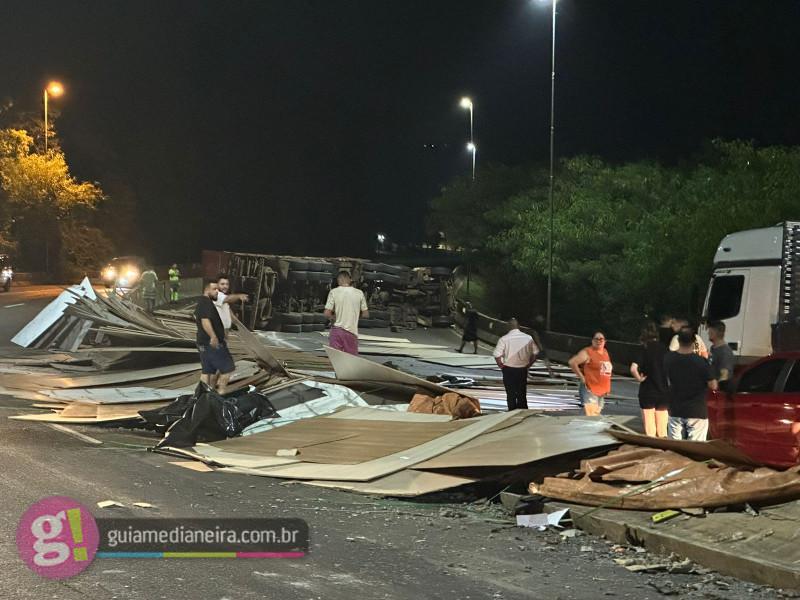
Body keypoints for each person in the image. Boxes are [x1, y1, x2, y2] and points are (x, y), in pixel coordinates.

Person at [664, 327, 718, 441]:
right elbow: (713, 385)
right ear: (694, 342)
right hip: (696, 410)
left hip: (675, 409)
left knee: (674, 447)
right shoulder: (701, 362)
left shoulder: (668, 359)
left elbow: (666, 379)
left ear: (678, 340)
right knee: (696, 448)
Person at [194, 281, 236, 395]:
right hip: (211, 343)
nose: (217, 291)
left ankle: (203, 396)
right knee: (228, 368)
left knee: (207, 370)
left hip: (203, 343)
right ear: (207, 290)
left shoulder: (203, 303)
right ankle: (220, 393)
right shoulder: (206, 303)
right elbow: (205, 321)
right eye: (215, 289)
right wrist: (213, 337)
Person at [630, 322, 669, 437]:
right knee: (662, 429)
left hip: (647, 392)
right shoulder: (665, 349)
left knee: (650, 428)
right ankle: (663, 449)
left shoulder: (644, 349)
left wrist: (639, 379)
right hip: (664, 392)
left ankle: (652, 448)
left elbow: (633, 368)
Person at [492, 318, 539, 411]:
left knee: (511, 394)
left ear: (508, 327)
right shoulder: (528, 338)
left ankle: (512, 412)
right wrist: (529, 364)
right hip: (522, 369)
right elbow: (535, 353)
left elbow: (497, 355)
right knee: (522, 393)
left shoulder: (504, 339)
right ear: (519, 326)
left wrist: (501, 365)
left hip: (509, 369)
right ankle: (523, 412)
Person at [324, 271, 368, 355]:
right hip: (352, 332)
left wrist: (333, 319)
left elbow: (327, 313)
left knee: (335, 359)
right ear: (349, 279)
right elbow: (365, 314)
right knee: (351, 360)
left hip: (337, 331)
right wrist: (354, 317)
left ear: (340, 279)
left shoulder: (334, 292)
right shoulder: (359, 293)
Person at [569, 332, 613, 416]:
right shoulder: (588, 352)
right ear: (592, 341)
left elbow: (606, 371)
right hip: (590, 390)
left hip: (601, 391)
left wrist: (607, 388)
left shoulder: (605, 352)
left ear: (605, 341)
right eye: (596, 339)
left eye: (601, 339)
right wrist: (581, 377)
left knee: (595, 417)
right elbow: (572, 362)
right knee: (591, 417)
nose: (599, 341)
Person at [707, 320, 735, 392]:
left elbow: (724, 376)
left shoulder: (725, 352)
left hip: (717, 394)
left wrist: (716, 389)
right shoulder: (713, 348)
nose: (708, 333)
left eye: (710, 331)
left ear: (715, 333)